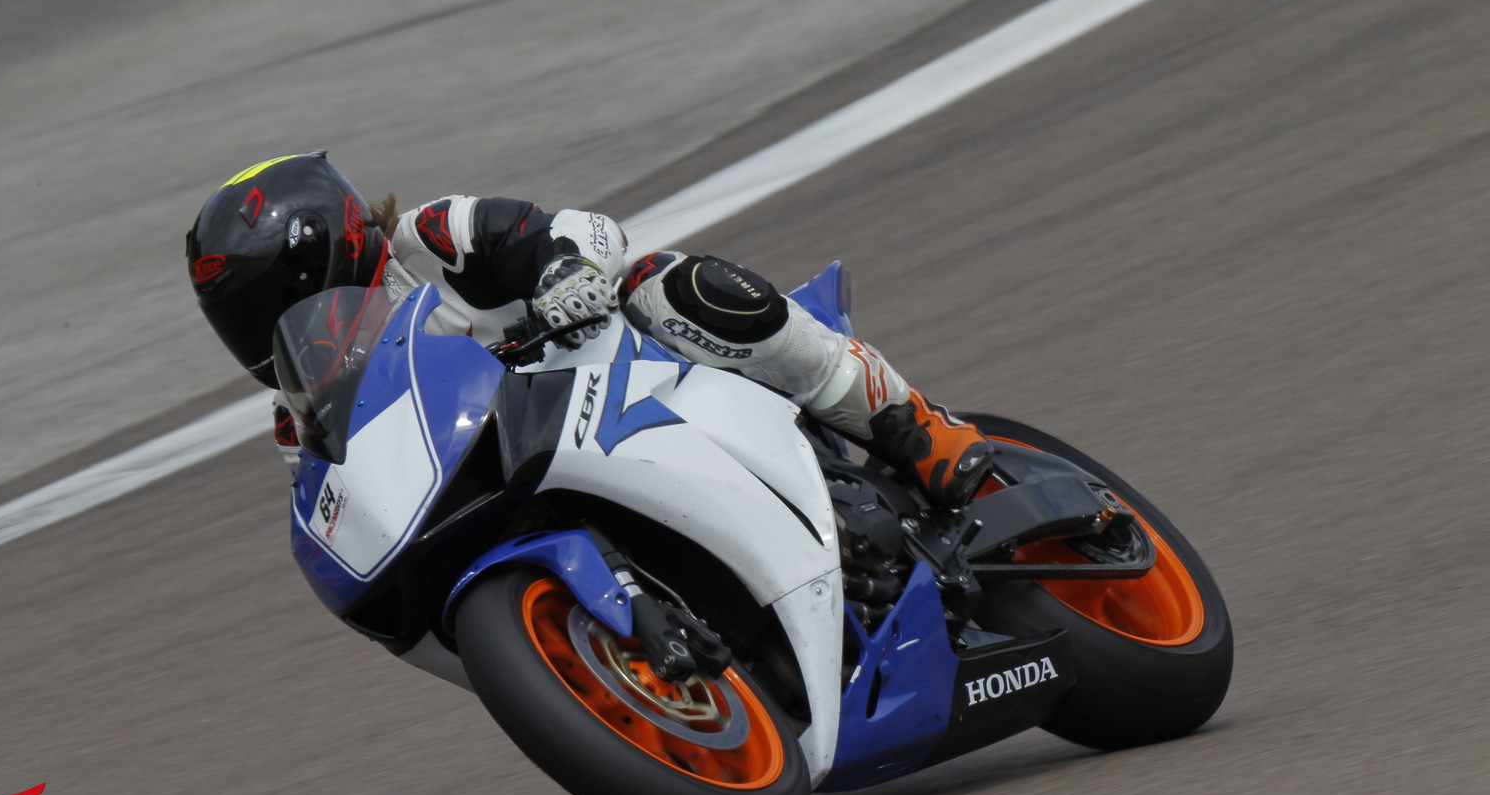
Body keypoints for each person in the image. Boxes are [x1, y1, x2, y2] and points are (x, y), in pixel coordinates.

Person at [185, 150, 992, 506]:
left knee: (670, 286)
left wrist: (565, 273)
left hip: (633, 385)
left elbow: (582, 230)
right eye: (241, 320)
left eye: (267, 302)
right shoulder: (303, 416)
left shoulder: (434, 238)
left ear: (326, 251)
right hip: (524, 481)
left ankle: (917, 427)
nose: (263, 330)